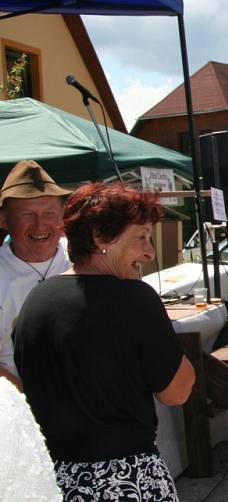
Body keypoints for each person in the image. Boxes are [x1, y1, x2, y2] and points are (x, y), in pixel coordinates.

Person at [14, 182, 196, 501]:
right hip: (127, 480)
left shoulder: (35, 301)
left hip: (58, 482)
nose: (150, 252)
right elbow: (177, 392)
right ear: (100, 236)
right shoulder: (134, 299)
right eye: (141, 237)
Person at [0, 160, 72, 390]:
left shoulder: (85, 259)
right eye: (27, 215)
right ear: (4, 219)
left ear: (63, 216)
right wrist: (28, 399)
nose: (40, 225)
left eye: (49, 213)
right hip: (18, 411)